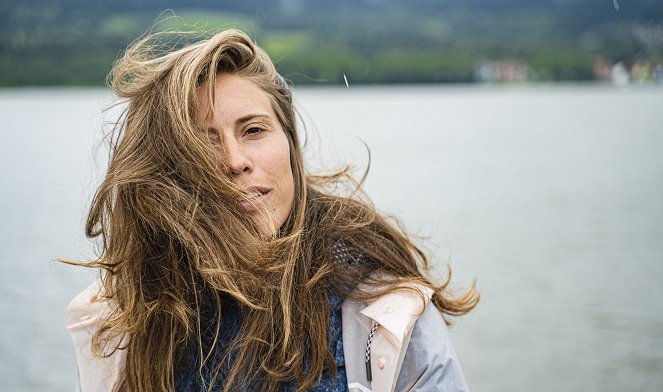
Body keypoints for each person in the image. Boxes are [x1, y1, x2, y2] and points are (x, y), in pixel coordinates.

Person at [65, 29, 479, 392]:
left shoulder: (384, 311)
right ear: (163, 173)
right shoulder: (118, 321)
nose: (234, 160)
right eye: (202, 142)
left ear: (290, 145)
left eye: (254, 130)